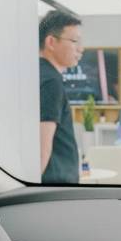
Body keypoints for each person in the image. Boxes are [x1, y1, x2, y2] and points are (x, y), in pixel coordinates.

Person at [38, 10, 83, 184]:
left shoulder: (40, 74)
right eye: (74, 41)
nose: (80, 48)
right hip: (55, 183)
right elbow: (42, 148)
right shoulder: (51, 81)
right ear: (51, 42)